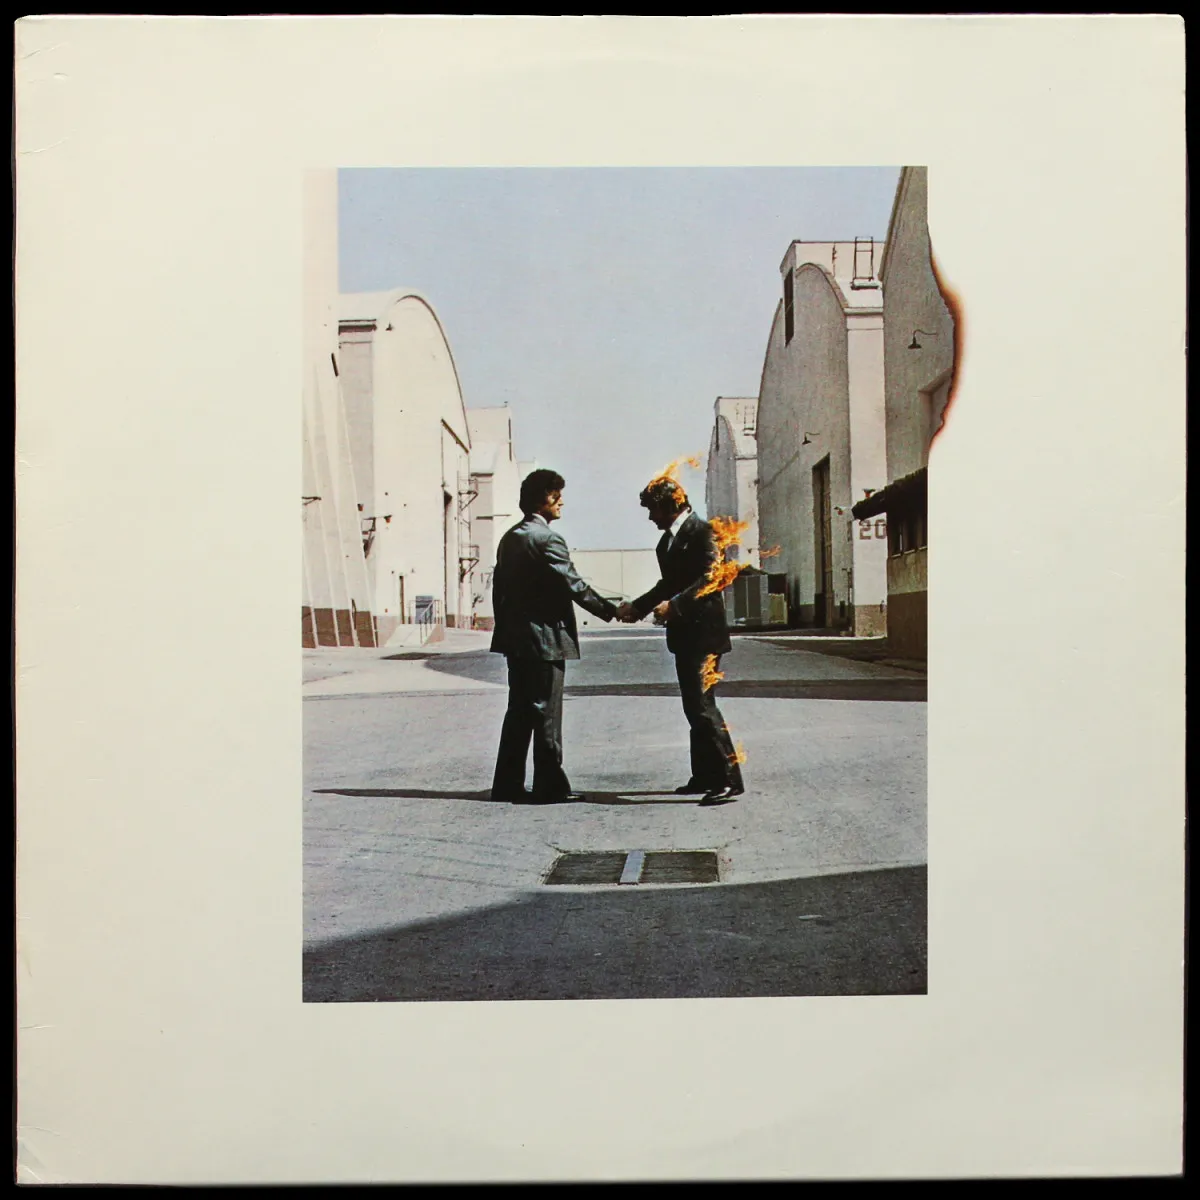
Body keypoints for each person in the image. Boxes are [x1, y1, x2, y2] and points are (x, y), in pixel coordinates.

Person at [490, 469, 619, 804]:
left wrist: (506, 630)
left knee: (519, 711)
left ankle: (506, 785)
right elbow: (573, 584)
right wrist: (612, 610)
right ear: (539, 500)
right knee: (546, 712)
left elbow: (498, 590)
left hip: (517, 640)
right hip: (545, 639)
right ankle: (550, 786)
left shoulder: (510, 538)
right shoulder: (548, 539)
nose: (561, 501)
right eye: (554, 495)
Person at [617, 479, 745, 806]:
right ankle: (703, 776)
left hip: (705, 635)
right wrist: (638, 607)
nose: (650, 517)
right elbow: (667, 584)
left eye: (653, 510)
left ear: (671, 505)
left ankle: (729, 780)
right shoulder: (666, 544)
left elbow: (711, 579)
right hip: (684, 637)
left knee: (703, 706)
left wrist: (675, 607)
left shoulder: (704, 533)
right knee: (693, 707)